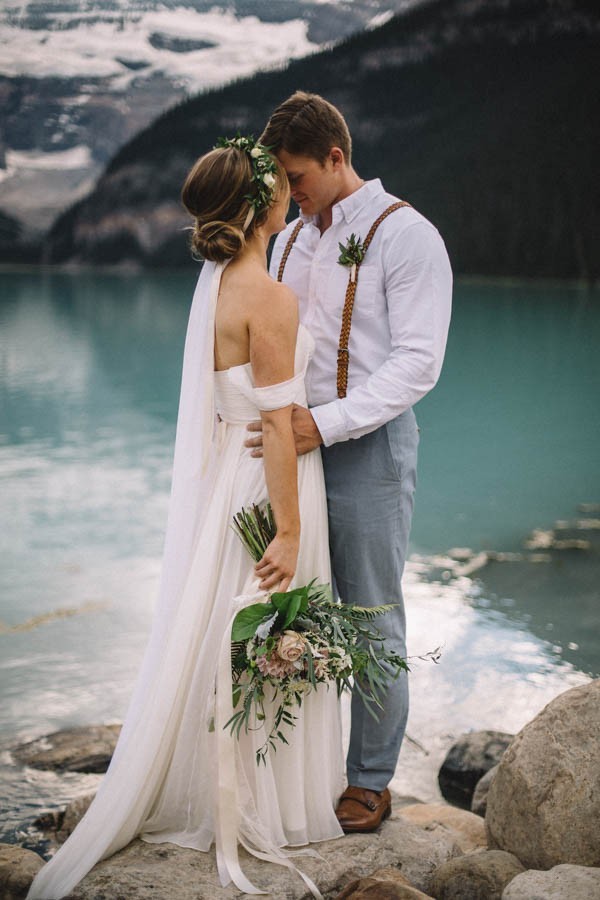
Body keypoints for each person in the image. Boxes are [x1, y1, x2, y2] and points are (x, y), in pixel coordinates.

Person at [25, 137, 344, 900]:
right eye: (275, 185)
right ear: (259, 203)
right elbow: (274, 423)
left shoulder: (221, 286)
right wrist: (291, 531)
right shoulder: (267, 297)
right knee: (267, 636)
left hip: (233, 482)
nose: (285, 193)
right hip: (272, 486)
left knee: (229, 639)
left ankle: (221, 786)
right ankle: (267, 804)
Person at [246, 91, 453, 833]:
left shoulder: (409, 236)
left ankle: (369, 777)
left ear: (337, 157)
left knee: (369, 614)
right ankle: (293, 760)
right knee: (286, 604)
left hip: (367, 448)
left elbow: (417, 364)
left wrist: (322, 426)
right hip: (290, 447)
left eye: (298, 177)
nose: (290, 195)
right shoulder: (292, 238)